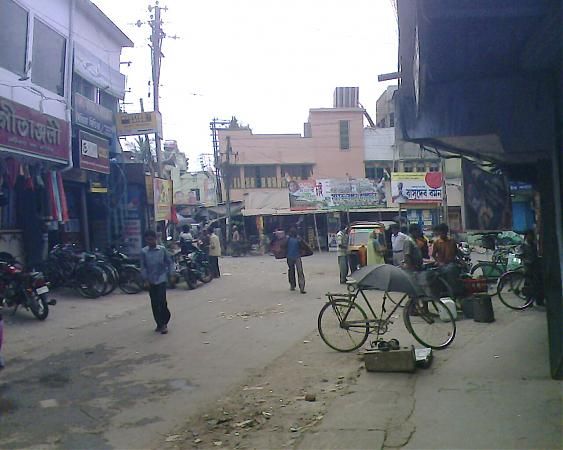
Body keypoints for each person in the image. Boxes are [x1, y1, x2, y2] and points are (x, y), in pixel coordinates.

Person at [140, 230, 173, 334]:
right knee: (154, 303)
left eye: (152, 239)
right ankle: (159, 323)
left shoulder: (162, 250)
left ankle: (164, 323)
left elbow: (169, 263)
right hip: (151, 280)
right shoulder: (144, 252)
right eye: (148, 240)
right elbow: (143, 267)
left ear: (155, 239)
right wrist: (145, 279)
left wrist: (171, 274)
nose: (150, 241)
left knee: (162, 302)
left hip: (161, 279)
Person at [282, 227, 311, 294]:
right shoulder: (298, 239)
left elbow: (283, 246)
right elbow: (305, 247)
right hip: (297, 257)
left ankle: (292, 285)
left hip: (289, 257)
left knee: (291, 271)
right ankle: (302, 288)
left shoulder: (288, 239)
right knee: (300, 272)